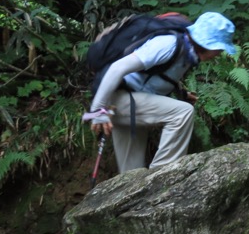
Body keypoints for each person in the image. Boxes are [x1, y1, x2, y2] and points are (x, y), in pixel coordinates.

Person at [84, 11, 237, 173]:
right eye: (220, 48)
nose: (220, 53)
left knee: (131, 173)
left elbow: (154, 77)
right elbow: (117, 68)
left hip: (130, 102)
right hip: (117, 101)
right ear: (208, 43)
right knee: (182, 113)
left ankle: (135, 194)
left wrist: (181, 93)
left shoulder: (187, 52)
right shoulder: (168, 44)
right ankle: (163, 176)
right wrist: (98, 111)